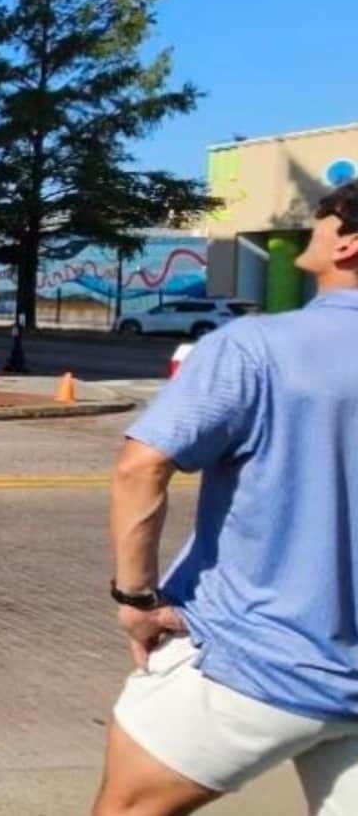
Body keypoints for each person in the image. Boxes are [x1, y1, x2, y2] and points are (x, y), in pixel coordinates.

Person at [92, 182, 358, 816]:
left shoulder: (254, 348)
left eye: (318, 220)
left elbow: (141, 466)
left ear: (348, 243)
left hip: (251, 662)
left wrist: (136, 600)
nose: (308, 227)